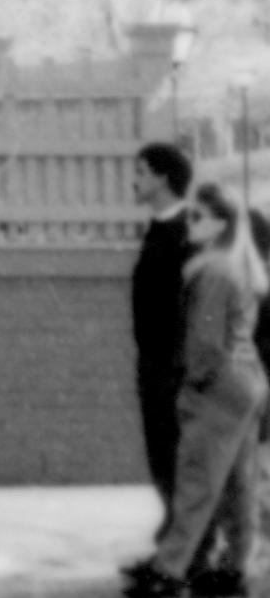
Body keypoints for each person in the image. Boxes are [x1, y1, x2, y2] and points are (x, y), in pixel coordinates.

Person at [127, 183, 268, 598]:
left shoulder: (211, 271)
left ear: (219, 224)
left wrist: (189, 386)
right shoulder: (239, 266)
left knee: (197, 479)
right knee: (238, 481)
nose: (188, 224)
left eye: (197, 217)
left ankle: (167, 571)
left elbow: (205, 344)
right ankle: (234, 567)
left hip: (218, 384)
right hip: (249, 381)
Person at [136, 143, 200, 533]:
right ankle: (172, 535)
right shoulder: (160, 229)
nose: (135, 180)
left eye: (142, 171)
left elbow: (195, 303)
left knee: (174, 454)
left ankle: (181, 543)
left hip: (172, 367)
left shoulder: (182, 233)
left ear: (162, 177)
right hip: (153, 364)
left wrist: (180, 362)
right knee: (160, 452)